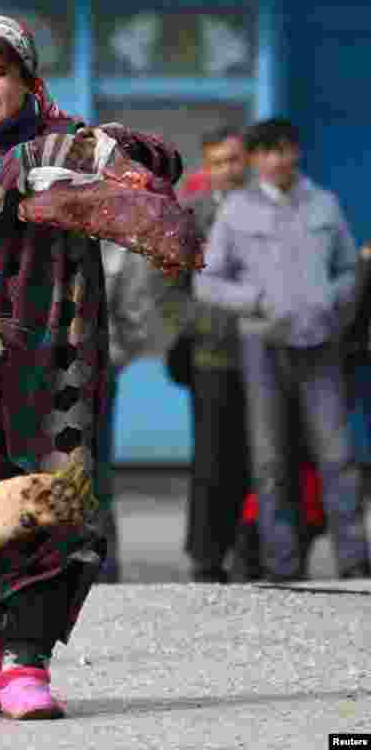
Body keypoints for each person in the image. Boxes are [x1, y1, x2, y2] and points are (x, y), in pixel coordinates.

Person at [0, 14, 188, 719]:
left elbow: (162, 166)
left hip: (58, 356)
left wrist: (106, 145)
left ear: (28, 79)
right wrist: (37, 159)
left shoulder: (67, 137)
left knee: (60, 499)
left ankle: (29, 663)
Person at [196, 117, 370, 581]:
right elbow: (206, 281)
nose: (276, 160)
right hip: (262, 350)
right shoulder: (235, 211)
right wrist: (255, 300)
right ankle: (282, 565)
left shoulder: (325, 204)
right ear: (254, 160)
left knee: (337, 456)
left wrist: (331, 303)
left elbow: (349, 270)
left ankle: (355, 561)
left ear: (296, 153)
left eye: (284, 150)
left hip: (320, 346)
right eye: (266, 152)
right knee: (270, 459)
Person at [173, 125, 253, 583]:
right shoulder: (193, 214)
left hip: (266, 348)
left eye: (235, 160)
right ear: (208, 168)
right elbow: (168, 282)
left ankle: (255, 549)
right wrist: (193, 327)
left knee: (263, 455)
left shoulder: (265, 210)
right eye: (219, 161)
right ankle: (206, 555)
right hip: (211, 353)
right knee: (212, 457)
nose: (228, 169)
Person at [95, 241, 168, 583]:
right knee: (96, 465)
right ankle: (101, 566)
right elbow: (134, 309)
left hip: (78, 362)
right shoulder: (113, 237)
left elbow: (134, 306)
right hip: (97, 360)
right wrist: (123, 350)